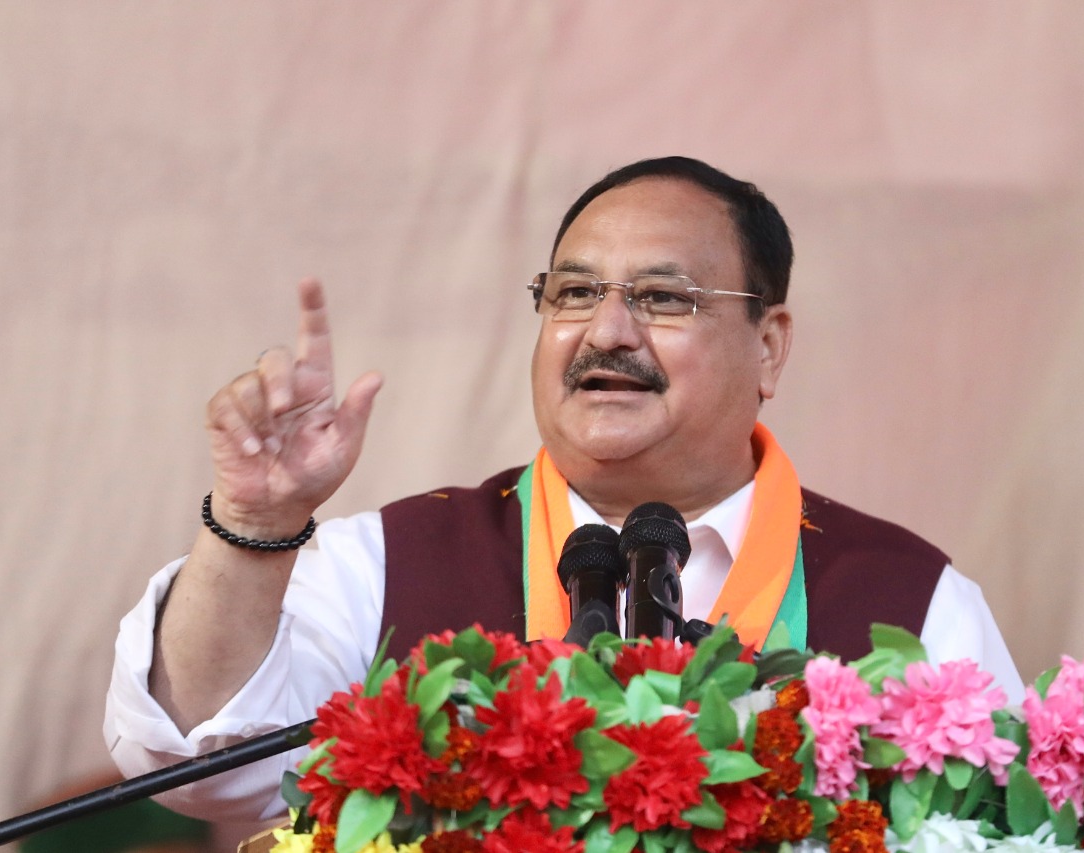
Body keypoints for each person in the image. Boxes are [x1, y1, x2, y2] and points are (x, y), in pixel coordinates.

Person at [105, 156, 1023, 822]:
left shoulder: (910, 599)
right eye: (574, 294)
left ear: (769, 345)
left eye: (664, 298)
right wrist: (254, 522)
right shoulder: (393, 561)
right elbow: (199, 770)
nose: (607, 330)